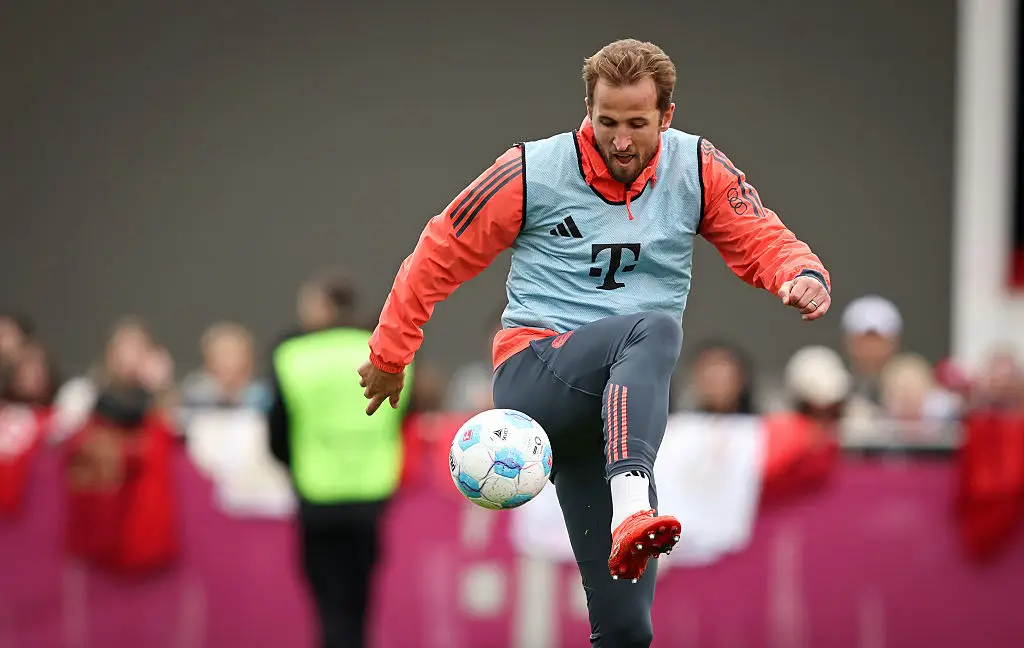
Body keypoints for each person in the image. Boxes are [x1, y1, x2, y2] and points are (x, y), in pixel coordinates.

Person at [358, 39, 831, 647]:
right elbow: (439, 250)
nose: (623, 140)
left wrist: (802, 273)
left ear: (668, 115)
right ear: (588, 110)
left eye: (638, 123)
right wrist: (390, 354)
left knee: (628, 630)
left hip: (610, 423)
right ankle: (633, 499)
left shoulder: (698, 168)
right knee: (654, 327)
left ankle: (627, 504)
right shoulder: (533, 170)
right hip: (538, 375)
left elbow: (761, 235)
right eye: (608, 122)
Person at [268, 271, 411, 648]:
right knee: (360, 602)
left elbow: (276, 433)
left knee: (329, 607)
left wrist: (297, 463)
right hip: (372, 493)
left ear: (321, 307)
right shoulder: (386, 353)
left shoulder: (293, 355)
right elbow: (401, 415)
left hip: (318, 495)